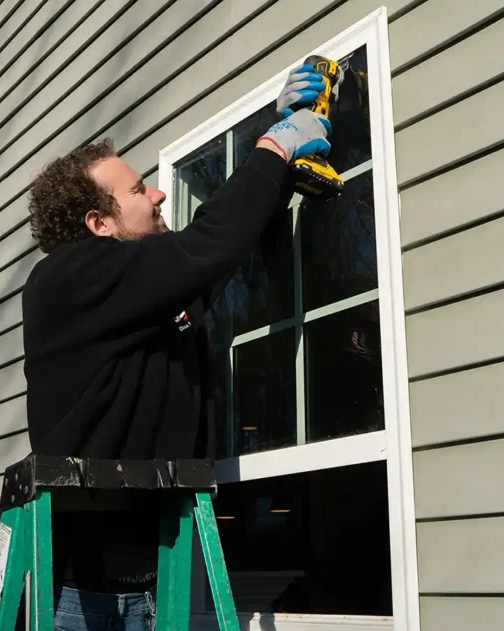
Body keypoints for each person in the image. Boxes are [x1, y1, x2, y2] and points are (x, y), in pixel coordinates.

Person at [21, 64, 334, 631]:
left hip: (158, 588)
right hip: (75, 602)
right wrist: (272, 146)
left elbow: (220, 253)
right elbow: (206, 247)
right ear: (99, 224)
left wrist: (284, 158)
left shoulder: (144, 301)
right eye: (139, 189)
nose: (160, 191)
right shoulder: (63, 281)